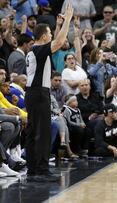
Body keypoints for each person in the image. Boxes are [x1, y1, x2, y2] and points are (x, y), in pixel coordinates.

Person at [24, 4, 73, 182]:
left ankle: (33, 169)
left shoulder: (35, 51)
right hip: (38, 93)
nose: (52, 35)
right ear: (44, 36)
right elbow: (59, 43)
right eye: (50, 33)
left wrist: (59, 26)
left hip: (33, 93)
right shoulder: (38, 50)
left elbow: (55, 43)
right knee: (42, 131)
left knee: (32, 131)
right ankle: (41, 170)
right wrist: (68, 20)